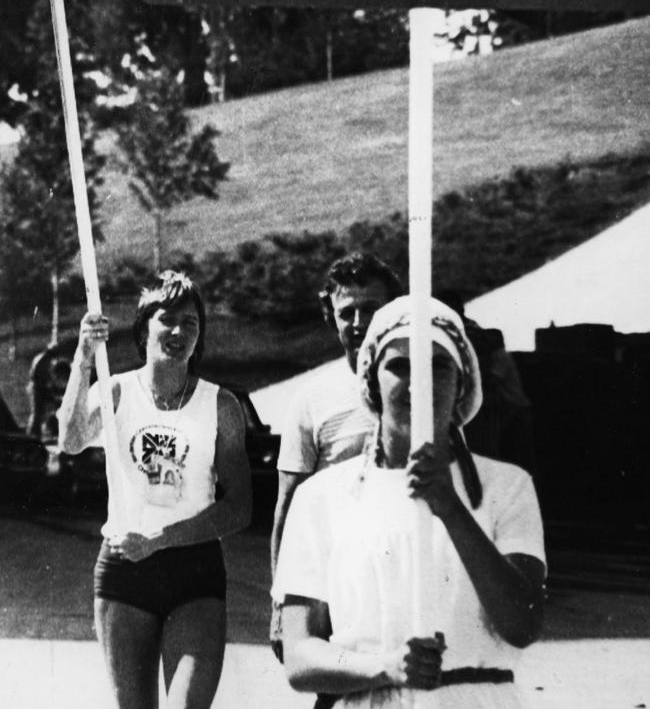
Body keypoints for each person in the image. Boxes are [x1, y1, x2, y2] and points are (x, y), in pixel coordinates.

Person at [273, 296, 546, 708]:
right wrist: (385, 666)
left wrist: (451, 509)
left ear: (461, 385)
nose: (418, 382)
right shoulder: (322, 497)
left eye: (438, 366)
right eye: (400, 366)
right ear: (372, 383)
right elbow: (299, 656)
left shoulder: (507, 487)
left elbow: (522, 624)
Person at [57, 271, 252, 709]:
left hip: (194, 569)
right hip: (124, 569)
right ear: (144, 327)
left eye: (191, 323)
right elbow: (69, 441)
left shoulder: (221, 405)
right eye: (168, 319)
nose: (179, 331)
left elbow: (239, 508)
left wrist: (162, 541)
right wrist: (84, 356)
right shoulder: (117, 392)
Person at [270, 252, 402, 663]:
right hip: (335, 577)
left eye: (372, 310)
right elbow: (287, 508)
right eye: (348, 313)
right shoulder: (311, 398)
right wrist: (280, 604)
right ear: (331, 317)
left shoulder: (422, 389)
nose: (360, 324)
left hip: (403, 564)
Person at [436, 289, 536, 477]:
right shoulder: (467, 334)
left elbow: (486, 381)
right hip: (500, 412)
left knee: (513, 473)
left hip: (511, 412)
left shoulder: (476, 337)